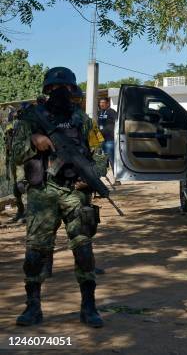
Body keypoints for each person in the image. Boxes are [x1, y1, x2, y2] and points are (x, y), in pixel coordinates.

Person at [13, 66, 106, 328]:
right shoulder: (31, 120)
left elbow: (99, 154)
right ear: (47, 90)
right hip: (42, 192)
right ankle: (33, 308)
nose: (60, 92)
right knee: (35, 255)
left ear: (72, 91)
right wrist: (34, 140)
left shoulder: (83, 120)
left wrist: (89, 177)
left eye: (64, 88)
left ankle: (89, 307)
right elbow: (16, 155)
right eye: (55, 88)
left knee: (84, 251)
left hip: (74, 192)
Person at [5, 108, 26, 222]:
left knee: (21, 185)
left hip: (22, 160)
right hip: (13, 159)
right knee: (16, 189)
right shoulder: (10, 128)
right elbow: (8, 146)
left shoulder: (25, 127)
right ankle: (20, 211)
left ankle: (28, 212)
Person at [97, 97, 116, 170]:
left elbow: (117, 122)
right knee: (101, 159)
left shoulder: (112, 112)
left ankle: (117, 179)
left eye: (103, 103)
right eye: (100, 103)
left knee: (111, 159)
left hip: (110, 139)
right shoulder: (99, 112)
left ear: (108, 103)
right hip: (101, 139)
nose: (101, 104)